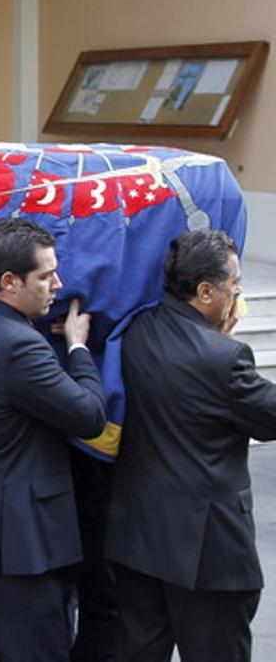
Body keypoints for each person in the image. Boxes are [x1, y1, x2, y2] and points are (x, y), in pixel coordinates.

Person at [0, 217, 107, 661]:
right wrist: (77, 348)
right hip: (18, 547)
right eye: (46, 275)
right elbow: (90, 415)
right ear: (9, 282)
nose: (59, 284)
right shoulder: (17, 345)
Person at [106, 229, 276, 661]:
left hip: (138, 539)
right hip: (209, 555)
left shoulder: (137, 330)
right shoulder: (224, 358)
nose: (237, 295)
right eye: (233, 287)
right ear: (205, 291)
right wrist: (224, 341)